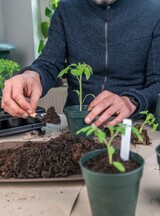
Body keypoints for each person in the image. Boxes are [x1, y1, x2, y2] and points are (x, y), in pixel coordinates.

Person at [2, 0, 160, 127]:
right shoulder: (66, 8)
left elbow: (157, 83)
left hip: (133, 125)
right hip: (77, 125)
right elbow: (48, 64)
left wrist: (130, 100)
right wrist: (31, 75)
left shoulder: (154, 10)